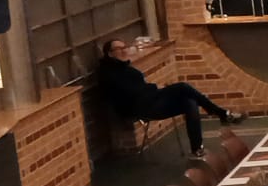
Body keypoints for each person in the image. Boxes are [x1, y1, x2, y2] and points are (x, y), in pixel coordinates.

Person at [95, 39, 240, 158]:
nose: (124, 50)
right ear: (110, 53)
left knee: (190, 102)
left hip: (150, 101)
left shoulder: (125, 68)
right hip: (139, 108)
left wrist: (150, 89)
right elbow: (131, 92)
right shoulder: (108, 74)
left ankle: (197, 148)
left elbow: (140, 88)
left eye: (125, 47)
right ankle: (221, 113)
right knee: (182, 87)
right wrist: (153, 88)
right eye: (119, 49)